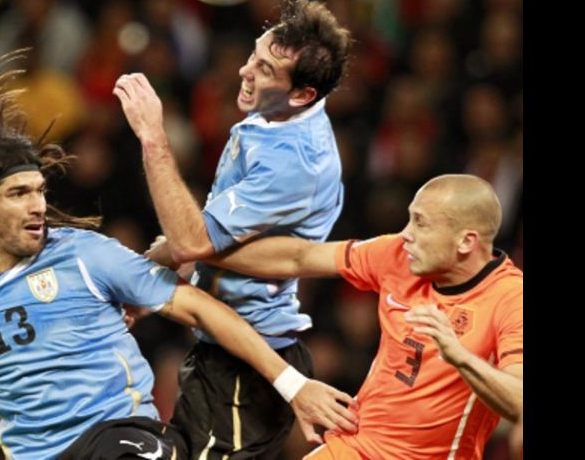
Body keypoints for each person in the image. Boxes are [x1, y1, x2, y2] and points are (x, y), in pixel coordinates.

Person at [0, 51, 358, 460]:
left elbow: (202, 308)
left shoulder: (85, 257)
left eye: (39, 190)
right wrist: (3, 430)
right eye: (18, 194)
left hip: (120, 438)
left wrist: (293, 385)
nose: (38, 206)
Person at [114, 0, 353, 458]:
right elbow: (201, 242)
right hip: (224, 351)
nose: (246, 71)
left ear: (304, 93)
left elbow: (192, 241)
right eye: (254, 54)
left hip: (248, 367)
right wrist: (145, 282)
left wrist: (152, 136)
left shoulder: (295, 163)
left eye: (265, 70)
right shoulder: (276, 113)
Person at [207, 174, 523, 460]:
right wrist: (204, 249)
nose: (406, 234)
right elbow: (299, 256)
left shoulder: (510, 297)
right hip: (357, 446)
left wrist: (461, 358)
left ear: (466, 241)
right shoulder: (397, 256)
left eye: (421, 223)